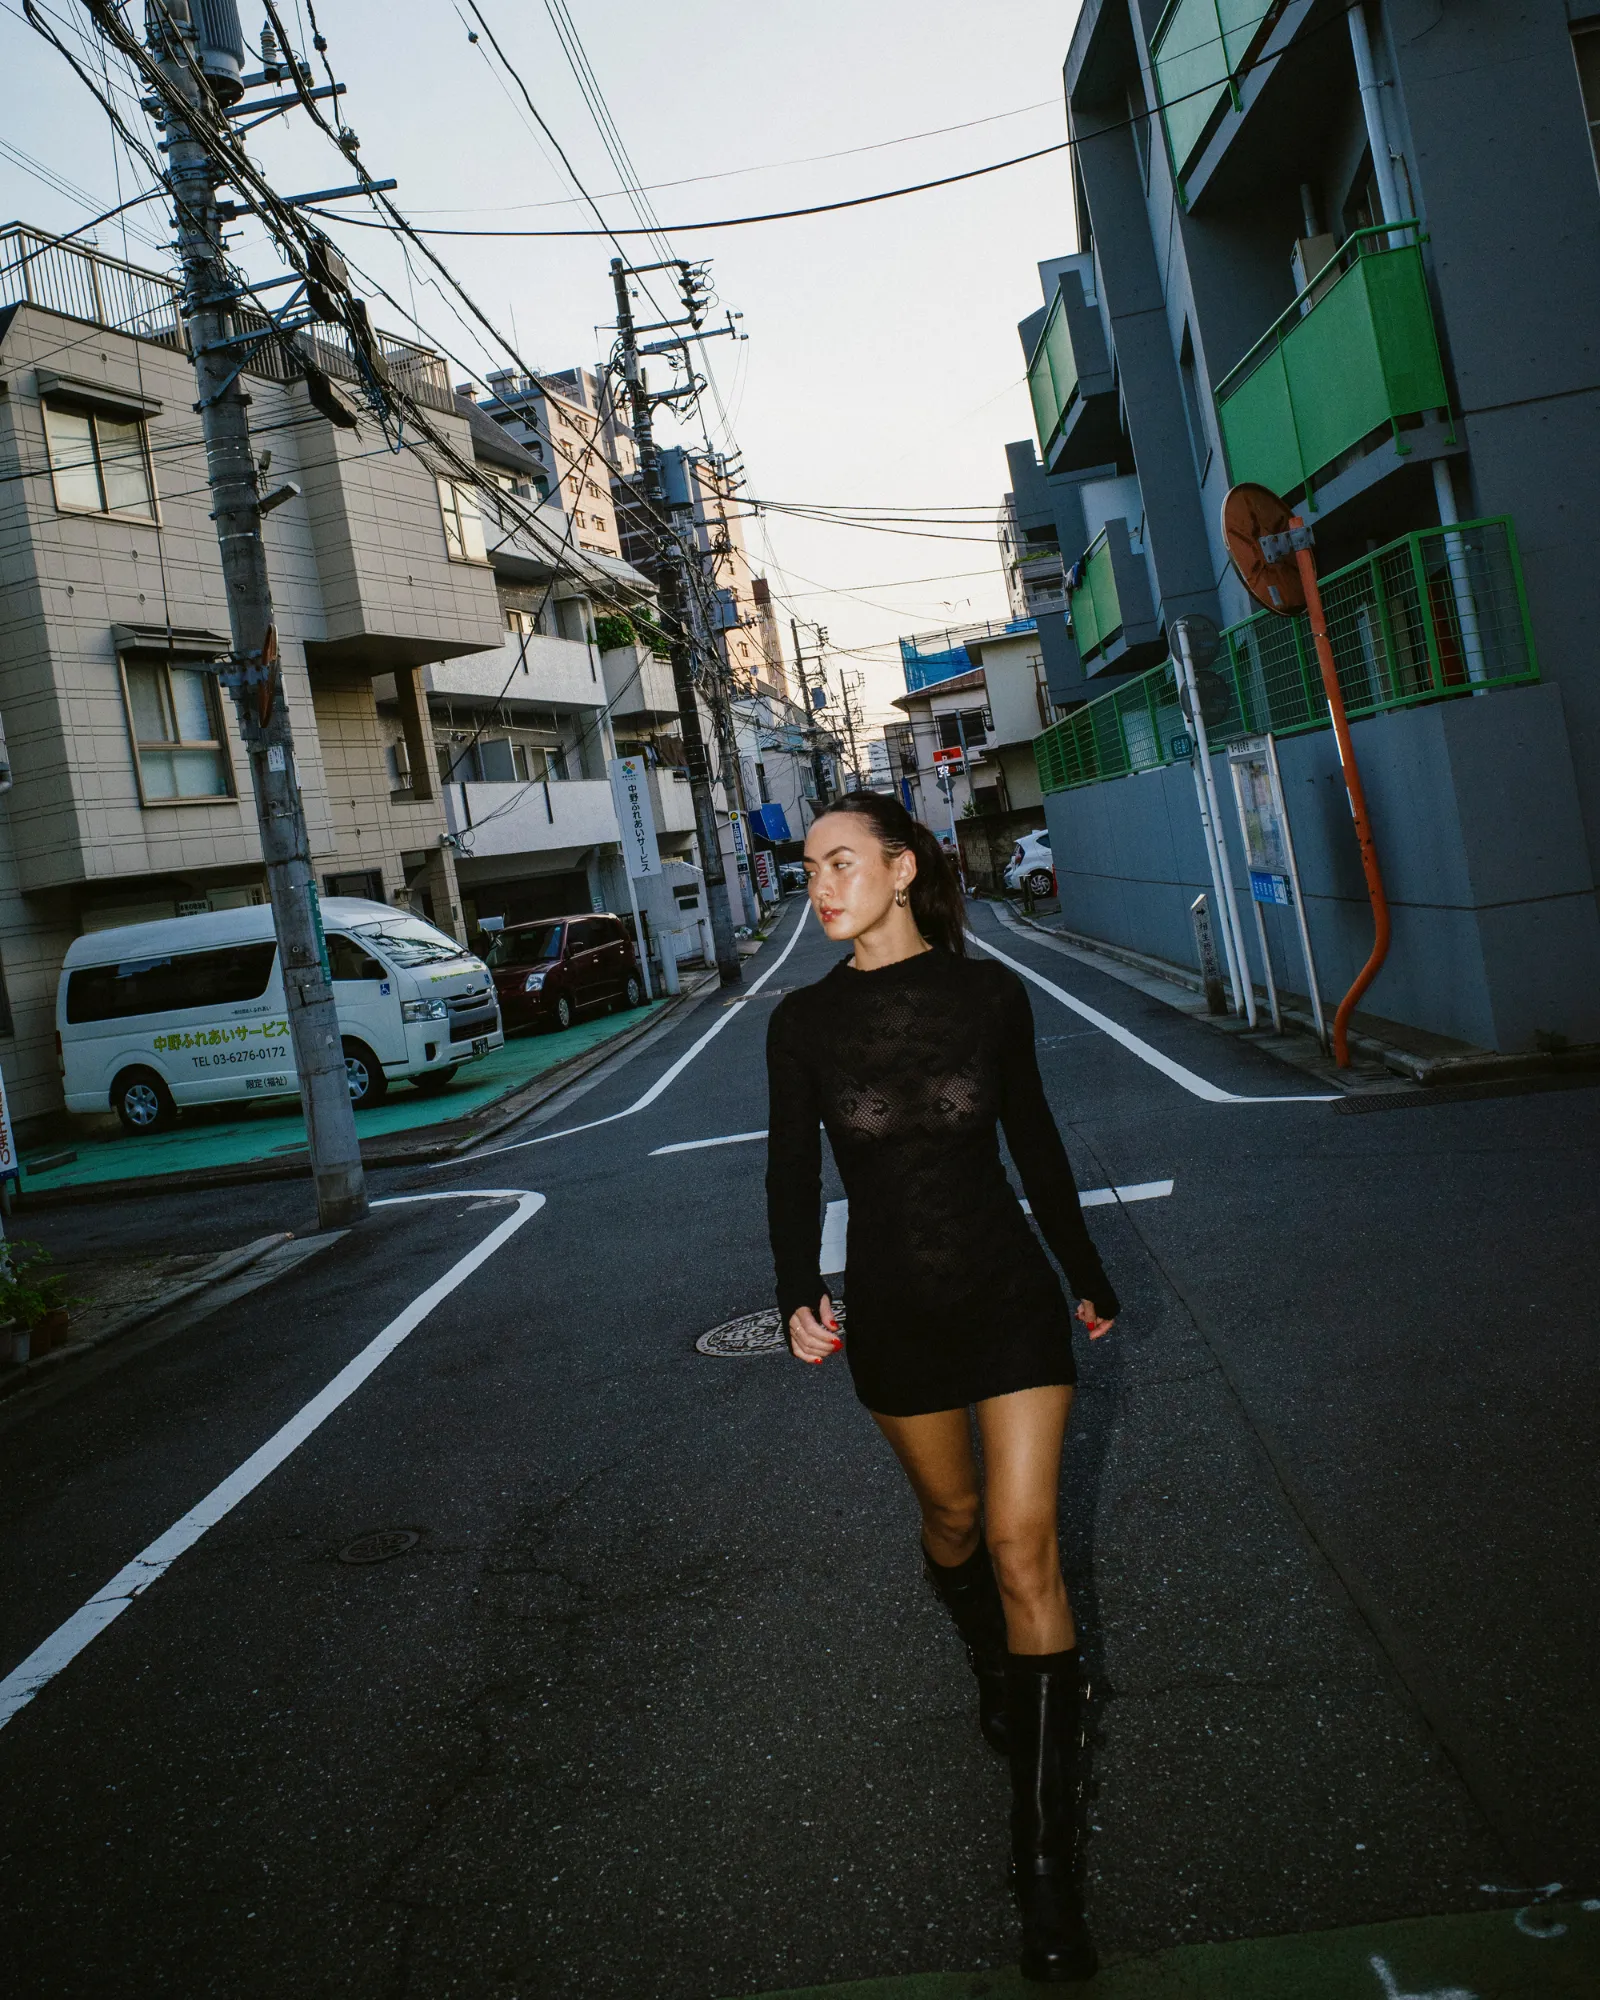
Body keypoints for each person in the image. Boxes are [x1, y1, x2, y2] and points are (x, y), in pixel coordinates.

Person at [765, 792, 1118, 1985]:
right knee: (957, 1525)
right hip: (898, 1319)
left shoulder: (988, 995)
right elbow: (785, 1174)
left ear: (902, 868)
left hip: (1010, 1300)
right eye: (808, 866)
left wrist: (1085, 1268)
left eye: (842, 860)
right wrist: (793, 1294)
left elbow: (1036, 1138)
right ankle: (991, 1666)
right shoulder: (801, 1024)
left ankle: (1044, 1880)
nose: (819, 884)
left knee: (1027, 1548)